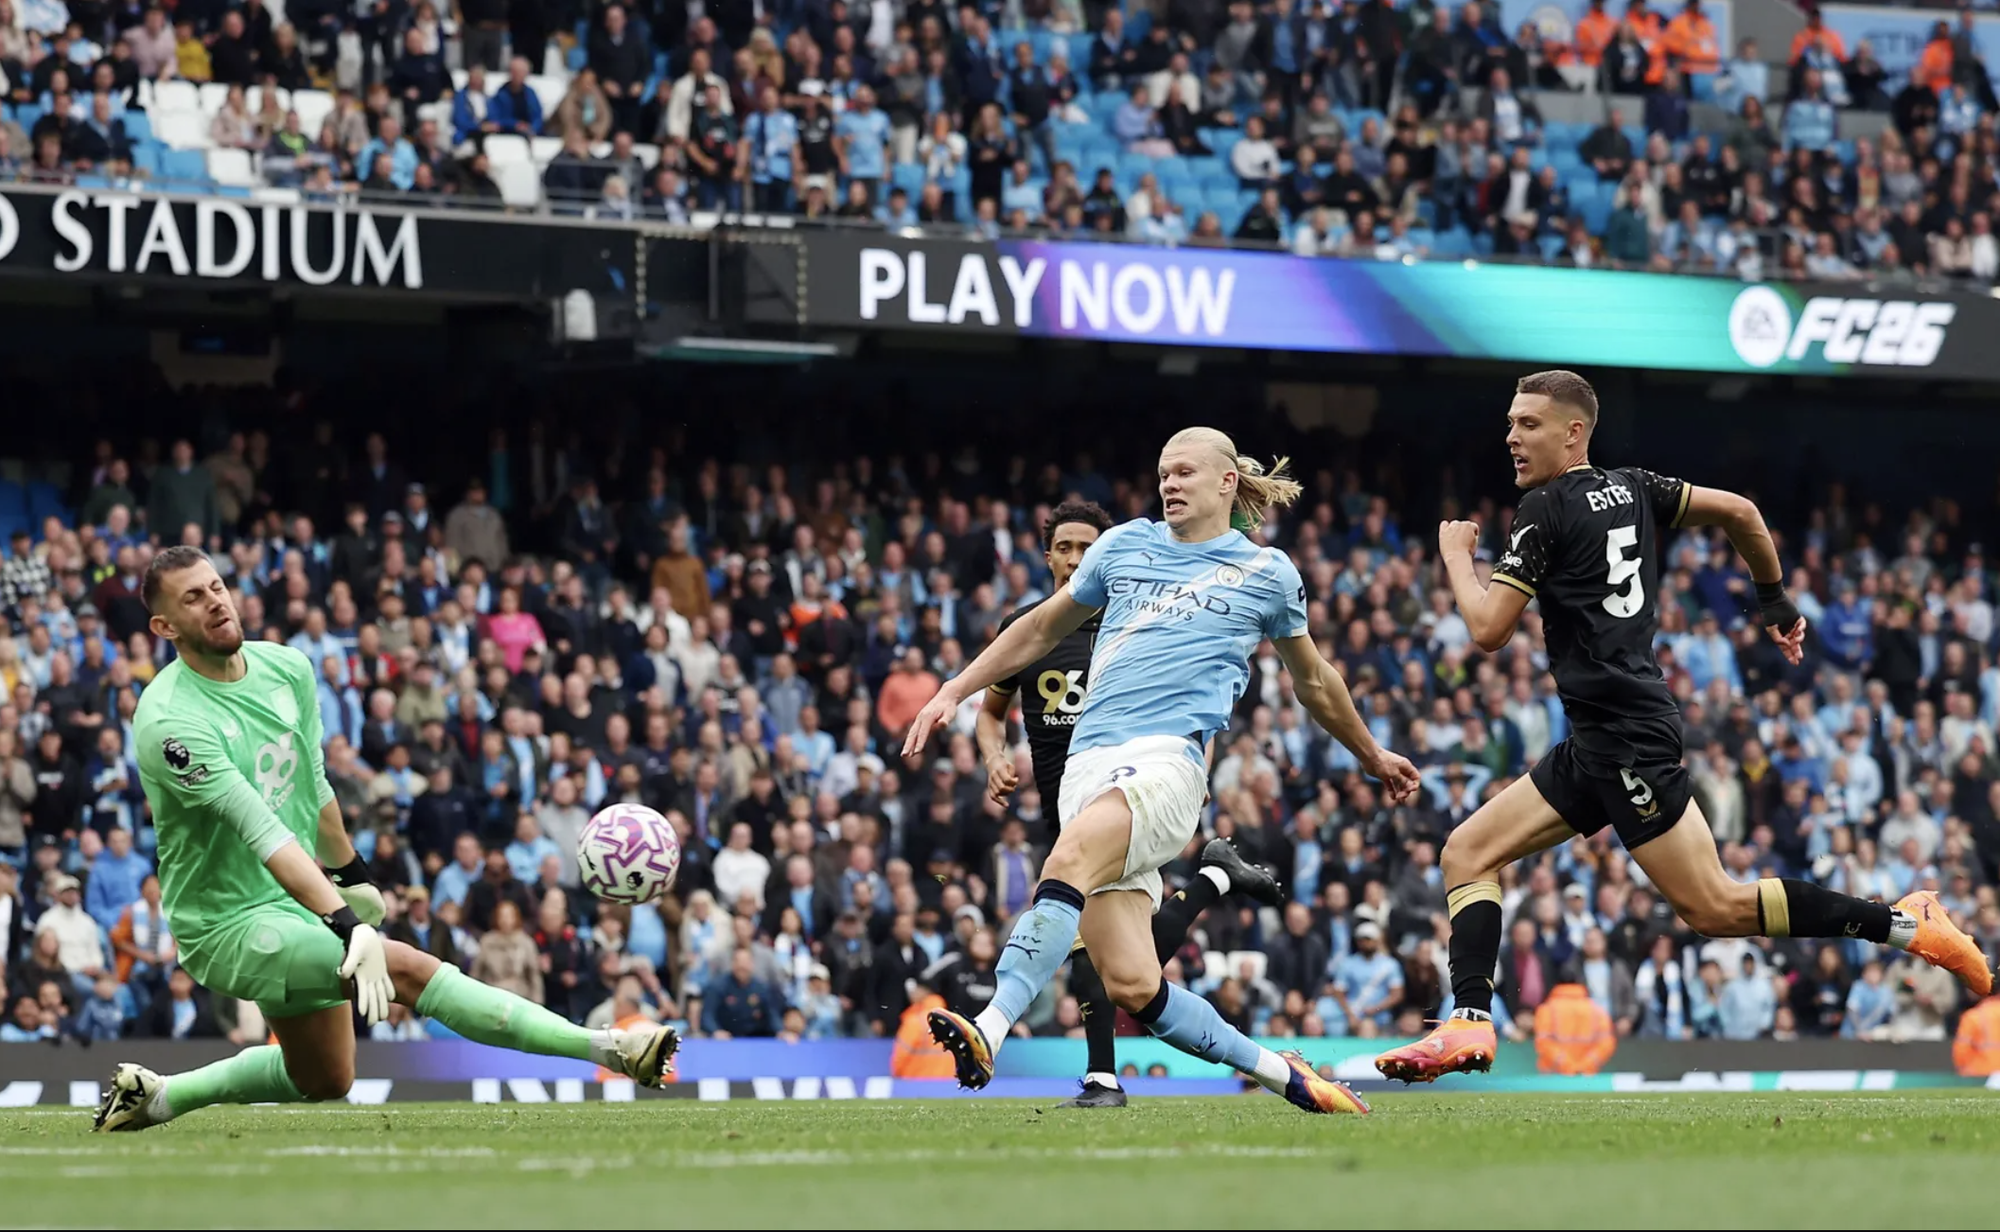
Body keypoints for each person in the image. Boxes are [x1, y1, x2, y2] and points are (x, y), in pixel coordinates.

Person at [1374, 370, 1995, 1083]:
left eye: (1529, 424)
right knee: (1467, 853)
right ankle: (1470, 1023)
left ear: (1574, 432)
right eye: (1510, 423)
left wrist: (1457, 558)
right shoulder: (1635, 486)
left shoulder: (1543, 510)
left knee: (1716, 908)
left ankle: (1909, 924)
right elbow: (1741, 513)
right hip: (1601, 736)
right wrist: (1776, 602)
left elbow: (1487, 630)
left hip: (1626, 737)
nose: (1512, 437)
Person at [904, 428, 1420, 1115]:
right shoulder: (1122, 546)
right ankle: (1285, 1075)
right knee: (1133, 985)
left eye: (1183, 473)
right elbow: (1036, 631)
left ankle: (990, 1026)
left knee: (1068, 857)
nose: (1169, 484)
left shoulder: (1267, 573)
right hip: (1086, 766)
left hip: (1166, 762)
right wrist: (952, 690)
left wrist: (1371, 754)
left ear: (1226, 482)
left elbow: (1316, 683)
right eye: (1161, 474)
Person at [92, 547, 678, 1133]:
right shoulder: (170, 722)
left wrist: (352, 875)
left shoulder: (287, 669)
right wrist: (349, 924)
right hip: (227, 923)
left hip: (298, 901)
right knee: (407, 969)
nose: (215, 601)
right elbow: (262, 832)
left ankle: (160, 1097)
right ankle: (610, 1048)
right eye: (192, 597)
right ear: (163, 627)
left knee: (326, 1077)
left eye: (216, 586)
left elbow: (313, 787)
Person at [975, 498, 1280, 1109]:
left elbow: (1194, 703)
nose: (1075, 559)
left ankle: (1098, 1076)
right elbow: (990, 712)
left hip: (1131, 790)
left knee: (1091, 945)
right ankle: (1216, 879)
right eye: (1064, 548)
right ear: (1048, 557)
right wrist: (993, 756)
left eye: (1087, 547)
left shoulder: (1134, 620)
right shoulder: (1029, 622)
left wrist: (1192, 774)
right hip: (1063, 795)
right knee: (1128, 961)